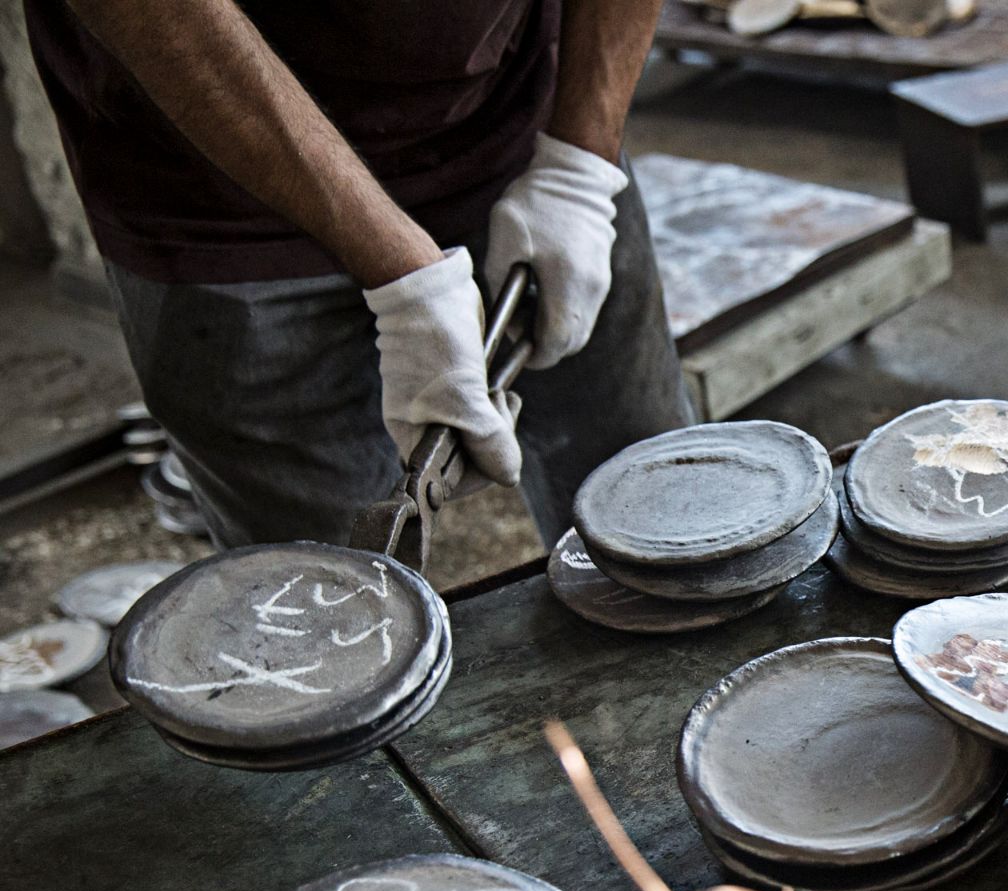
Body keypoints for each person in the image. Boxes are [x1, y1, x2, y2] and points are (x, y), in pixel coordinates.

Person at [24, 0, 691, 550]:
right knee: (322, 617)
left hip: (525, 125)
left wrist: (581, 166)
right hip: (218, 191)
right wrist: (400, 273)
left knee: (665, 521)